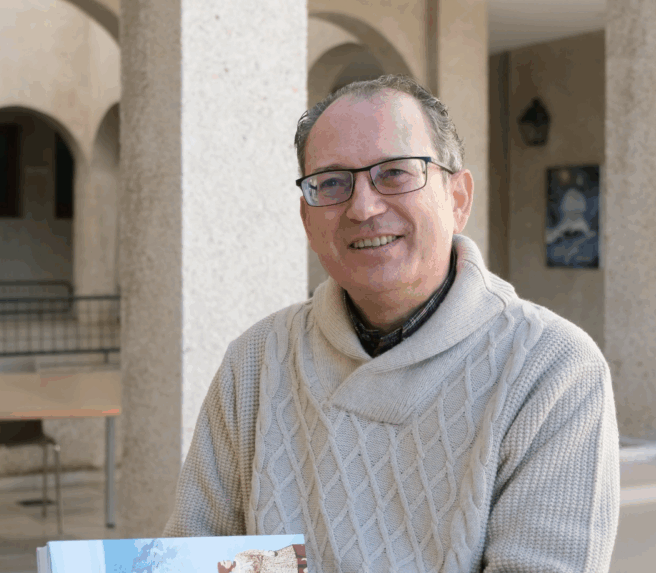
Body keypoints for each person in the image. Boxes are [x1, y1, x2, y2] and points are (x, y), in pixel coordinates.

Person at [162, 75, 620, 572]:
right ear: (307, 220)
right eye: (331, 183)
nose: (363, 207)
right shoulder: (255, 362)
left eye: (396, 173)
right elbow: (195, 555)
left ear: (458, 199)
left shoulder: (551, 369)